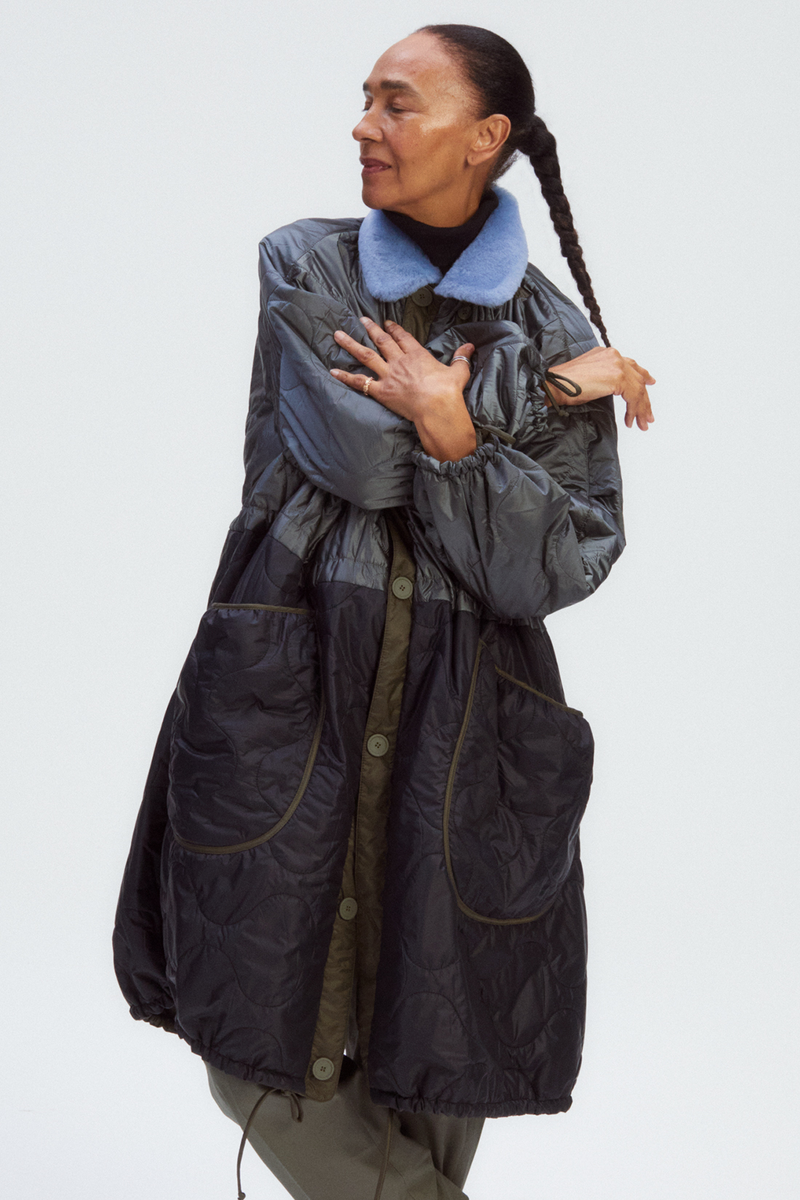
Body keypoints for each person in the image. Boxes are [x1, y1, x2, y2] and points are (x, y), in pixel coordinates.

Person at [113, 22, 655, 1200]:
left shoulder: (559, 321)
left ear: (484, 136)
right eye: (365, 98)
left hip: (471, 714)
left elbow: (554, 564)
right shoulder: (307, 265)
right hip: (291, 680)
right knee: (253, 1049)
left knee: (435, 1048)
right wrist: (534, 396)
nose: (363, 124)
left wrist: (453, 422)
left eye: (397, 103)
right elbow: (358, 459)